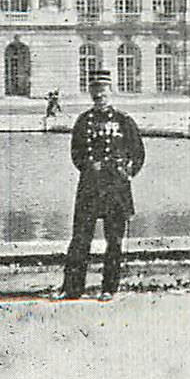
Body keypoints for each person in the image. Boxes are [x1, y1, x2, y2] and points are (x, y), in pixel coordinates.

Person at [61, 69, 145, 300]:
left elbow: (138, 154)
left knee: (115, 241)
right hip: (90, 188)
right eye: (95, 91)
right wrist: (89, 166)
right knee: (80, 239)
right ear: (90, 93)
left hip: (116, 189)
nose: (99, 95)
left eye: (103, 90)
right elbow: (76, 154)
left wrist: (127, 172)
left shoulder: (124, 121)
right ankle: (72, 288)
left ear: (111, 91)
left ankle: (109, 288)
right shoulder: (83, 121)